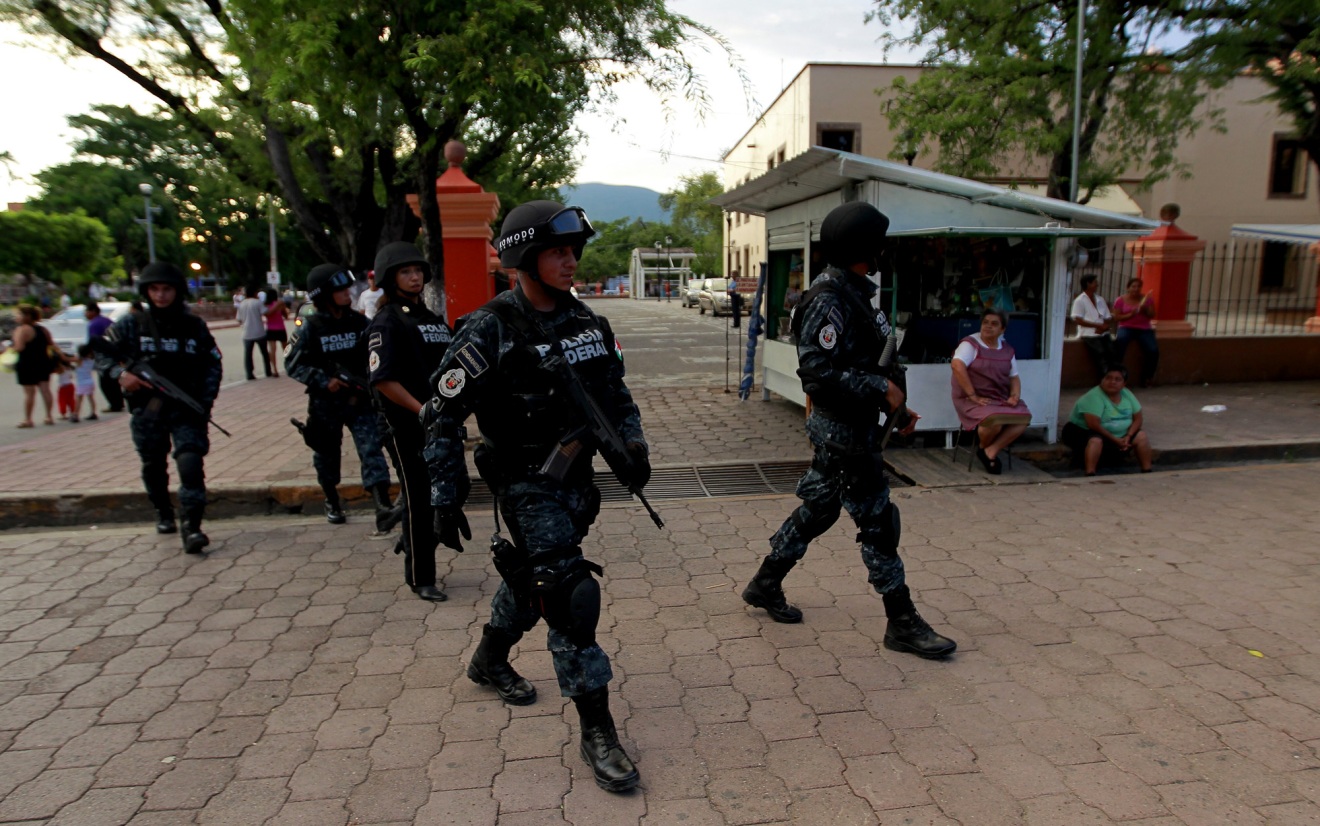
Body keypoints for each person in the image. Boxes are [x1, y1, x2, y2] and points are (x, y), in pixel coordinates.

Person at [422, 200, 648, 793]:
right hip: (524, 483)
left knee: (531, 582)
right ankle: (597, 730)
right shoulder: (488, 326)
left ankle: (489, 658)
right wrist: (444, 497)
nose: (570, 261)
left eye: (574, 250)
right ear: (525, 256)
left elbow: (615, 395)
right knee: (571, 595)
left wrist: (634, 447)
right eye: (556, 251)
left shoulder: (588, 325)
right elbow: (440, 413)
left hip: (575, 481)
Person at [742, 201, 956, 661]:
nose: (885, 249)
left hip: (854, 424)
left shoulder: (853, 290)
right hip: (842, 432)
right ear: (865, 247)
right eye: (879, 242)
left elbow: (861, 360)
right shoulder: (828, 298)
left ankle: (765, 582)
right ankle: (902, 622)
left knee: (821, 508)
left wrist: (894, 403)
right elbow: (817, 373)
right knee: (879, 521)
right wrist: (880, 387)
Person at [94, 262, 223, 553]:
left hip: (187, 409)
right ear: (146, 291)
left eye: (167, 289)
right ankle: (163, 511)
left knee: (190, 465)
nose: (161, 295)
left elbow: (213, 363)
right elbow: (102, 356)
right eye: (154, 289)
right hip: (148, 411)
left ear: (177, 292)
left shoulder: (194, 326)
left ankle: (192, 527)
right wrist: (121, 375)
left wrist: (205, 402)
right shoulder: (132, 325)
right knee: (153, 465)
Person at [366, 242, 453, 602]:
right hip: (405, 425)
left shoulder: (430, 318)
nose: (414, 276)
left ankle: (410, 540)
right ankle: (421, 577)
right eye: (405, 272)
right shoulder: (386, 322)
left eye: (417, 270)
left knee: (449, 494)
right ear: (391, 278)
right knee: (418, 498)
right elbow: (382, 380)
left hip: (440, 423)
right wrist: (420, 410)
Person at [285, 263, 400, 530]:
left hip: (360, 402)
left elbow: (378, 355)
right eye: (340, 290)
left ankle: (381, 504)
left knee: (371, 450)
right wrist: (325, 380)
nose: (348, 293)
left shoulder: (360, 323)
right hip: (326, 403)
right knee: (326, 455)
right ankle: (332, 500)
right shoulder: (310, 327)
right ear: (324, 294)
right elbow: (292, 363)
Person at [950, 308, 1032, 474]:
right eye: (985, 323)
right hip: (970, 399)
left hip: (998, 398)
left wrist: (1015, 396)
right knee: (994, 420)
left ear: (1002, 329)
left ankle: (988, 450)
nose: (988, 327)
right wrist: (973, 395)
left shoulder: (1007, 350)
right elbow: (957, 366)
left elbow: (1014, 378)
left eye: (994, 324)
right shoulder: (970, 344)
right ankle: (987, 452)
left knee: (1024, 418)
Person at [1063, 365, 1153, 475]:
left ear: (1124, 384)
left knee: (1141, 436)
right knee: (1096, 440)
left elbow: (1138, 418)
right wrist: (1115, 440)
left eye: (1117, 379)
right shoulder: (1093, 396)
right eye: (1108, 378)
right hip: (1084, 431)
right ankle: (1090, 473)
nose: (1112, 382)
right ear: (1102, 380)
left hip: (1120, 436)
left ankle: (1147, 471)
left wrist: (1128, 436)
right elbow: (1093, 424)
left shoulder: (1127, 394)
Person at [12, 305, 56, 427]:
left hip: (27, 363)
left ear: (27, 316)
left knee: (30, 393)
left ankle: (28, 419)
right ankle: (49, 416)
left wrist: (11, 349)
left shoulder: (22, 330)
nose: (17, 317)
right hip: (43, 362)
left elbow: (20, 347)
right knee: (45, 389)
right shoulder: (43, 330)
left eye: (19, 315)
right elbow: (51, 345)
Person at [1112, 277, 1159, 387]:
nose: (1136, 289)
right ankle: (1116, 375)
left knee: (1153, 350)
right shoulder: (1120, 300)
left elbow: (1152, 315)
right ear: (1128, 288)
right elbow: (1116, 317)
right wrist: (1130, 314)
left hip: (1144, 329)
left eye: (1138, 286)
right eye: (1133, 286)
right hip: (1126, 327)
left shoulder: (1147, 299)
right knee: (1120, 345)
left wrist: (1145, 309)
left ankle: (1148, 377)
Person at [1070, 273, 1114, 378]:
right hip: (1089, 334)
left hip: (1102, 333)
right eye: (1095, 282)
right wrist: (1097, 326)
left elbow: (1107, 316)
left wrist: (1105, 325)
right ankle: (1104, 378)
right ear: (1088, 284)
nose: (1097, 284)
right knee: (1100, 353)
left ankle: (1113, 377)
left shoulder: (1100, 299)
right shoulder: (1080, 300)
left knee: (1112, 353)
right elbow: (1078, 319)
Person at [85, 303, 123, 412]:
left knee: (105, 383)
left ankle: (114, 405)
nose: (86, 314)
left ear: (93, 312)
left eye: (87, 311)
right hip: (115, 354)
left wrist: (89, 354)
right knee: (114, 381)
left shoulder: (93, 324)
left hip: (104, 358)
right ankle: (118, 403)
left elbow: (93, 342)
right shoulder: (107, 321)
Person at [236, 284, 271, 379]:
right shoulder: (257, 302)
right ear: (254, 293)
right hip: (259, 331)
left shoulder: (242, 304)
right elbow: (265, 312)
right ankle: (268, 371)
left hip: (246, 333)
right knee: (265, 353)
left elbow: (238, 319)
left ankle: (249, 374)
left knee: (248, 355)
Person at [264, 290, 289, 378]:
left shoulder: (267, 305)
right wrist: (278, 306)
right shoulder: (273, 304)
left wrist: (283, 308)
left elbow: (286, 315)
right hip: (279, 328)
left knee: (278, 349)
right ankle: (275, 369)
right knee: (282, 349)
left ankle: (279, 368)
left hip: (273, 328)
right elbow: (268, 314)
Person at [73, 343, 98, 421]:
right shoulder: (91, 360)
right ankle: (93, 412)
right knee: (91, 398)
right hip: (90, 382)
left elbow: (66, 359)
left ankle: (75, 415)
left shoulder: (79, 360)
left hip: (82, 383)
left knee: (79, 399)